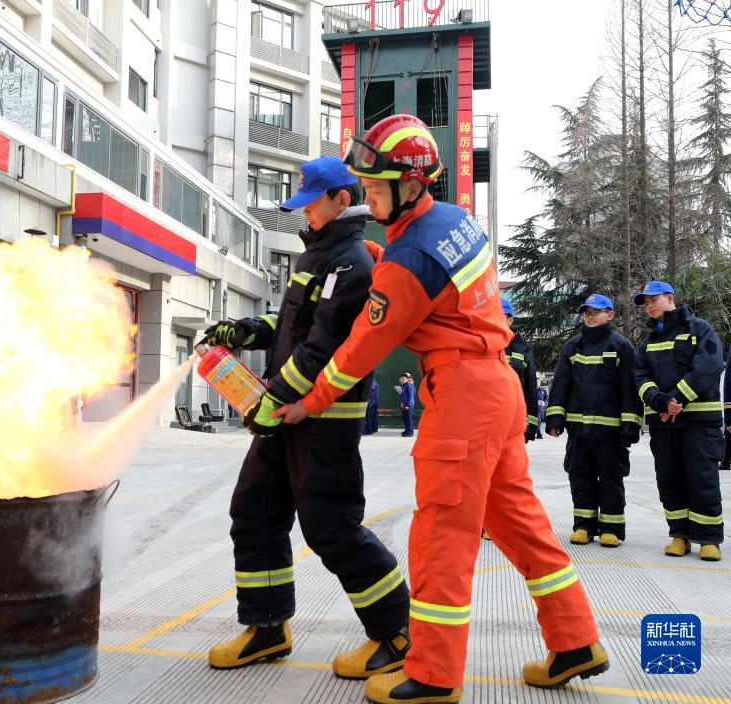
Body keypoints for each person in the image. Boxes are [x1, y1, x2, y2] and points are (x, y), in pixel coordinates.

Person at [273, 114, 606, 704]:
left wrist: (311, 401)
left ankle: (432, 673)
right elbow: (433, 276)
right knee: (523, 528)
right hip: (498, 387)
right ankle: (577, 640)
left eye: (376, 190)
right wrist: (387, 252)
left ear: (411, 184)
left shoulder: (403, 267)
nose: (369, 198)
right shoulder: (455, 221)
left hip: (461, 398)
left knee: (440, 537)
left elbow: (360, 350)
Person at [201, 156, 411, 679]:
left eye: (311, 204)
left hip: (322, 421)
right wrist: (249, 330)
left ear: (342, 200)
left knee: (332, 529)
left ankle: (397, 631)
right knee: (254, 512)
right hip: (284, 415)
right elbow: (293, 322)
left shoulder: (351, 263)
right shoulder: (318, 255)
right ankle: (267, 628)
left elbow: (323, 344)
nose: (305, 214)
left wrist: (273, 399)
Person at [633, 281, 724, 562]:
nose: (648, 305)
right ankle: (679, 536)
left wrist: (676, 400)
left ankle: (708, 539)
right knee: (669, 480)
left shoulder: (700, 329)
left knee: (703, 480)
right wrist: (661, 402)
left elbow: (709, 366)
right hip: (664, 424)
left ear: (670, 298)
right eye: (645, 302)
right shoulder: (647, 343)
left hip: (699, 423)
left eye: (653, 299)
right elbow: (639, 377)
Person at [545, 294, 641, 548]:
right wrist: (555, 415)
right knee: (580, 477)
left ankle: (611, 529)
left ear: (610, 315)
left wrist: (631, 423)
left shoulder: (621, 346)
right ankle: (584, 527)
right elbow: (561, 384)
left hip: (610, 431)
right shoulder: (572, 347)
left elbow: (630, 389)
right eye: (587, 312)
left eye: (596, 312)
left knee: (611, 478)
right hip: (578, 430)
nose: (590, 316)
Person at [501, 299, 539, 443]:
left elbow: (530, 389)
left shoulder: (522, 350)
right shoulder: (478, 344)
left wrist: (531, 425)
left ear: (510, 320)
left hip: (514, 425)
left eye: (498, 315)